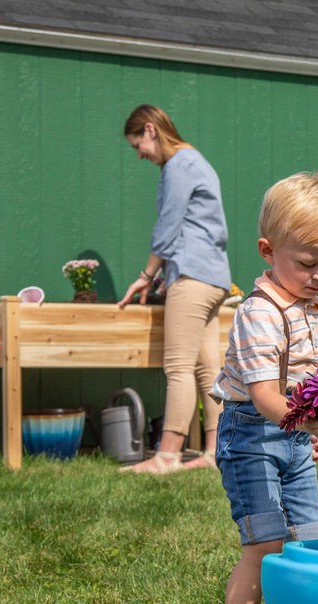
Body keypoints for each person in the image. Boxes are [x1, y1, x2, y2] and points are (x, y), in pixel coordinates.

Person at [209, 171, 318, 604]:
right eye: (309, 263)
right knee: (266, 544)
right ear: (268, 251)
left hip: (291, 435)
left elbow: (306, 379)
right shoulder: (259, 312)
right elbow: (264, 394)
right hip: (250, 433)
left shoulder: (315, 308)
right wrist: (306, 423)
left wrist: (310, 431)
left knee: (312, 542)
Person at [118, 104, 232, 474]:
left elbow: (168, 224)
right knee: (207, 369)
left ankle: (166, 456)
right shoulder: (198, 161)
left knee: (178, 367)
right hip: (215, 278)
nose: (140, 155)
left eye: (138, 145)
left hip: (193, 276)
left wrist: (147, 275)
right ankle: (216, 453)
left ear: (150, 129)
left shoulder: (178, 165)